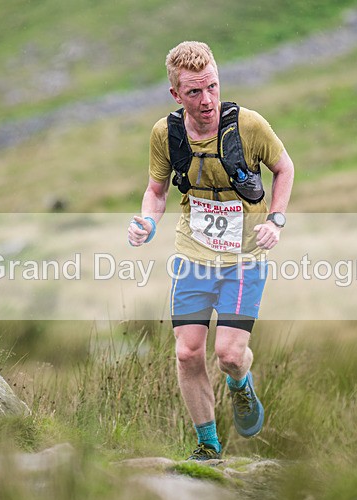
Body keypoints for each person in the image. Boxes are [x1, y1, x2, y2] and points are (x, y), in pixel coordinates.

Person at [128, 41, 294, 460]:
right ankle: (208, 446)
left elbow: (284, 168)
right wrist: (147, 221)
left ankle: (240, 384)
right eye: (195, 92)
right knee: (187, 353)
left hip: (245, 258)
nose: (207, 100)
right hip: (193, 256)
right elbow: (156, 191)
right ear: (176, 94)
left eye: (212, 87)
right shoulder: (166, 134)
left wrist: (275, 220)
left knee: (229, 355)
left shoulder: (249, 126)